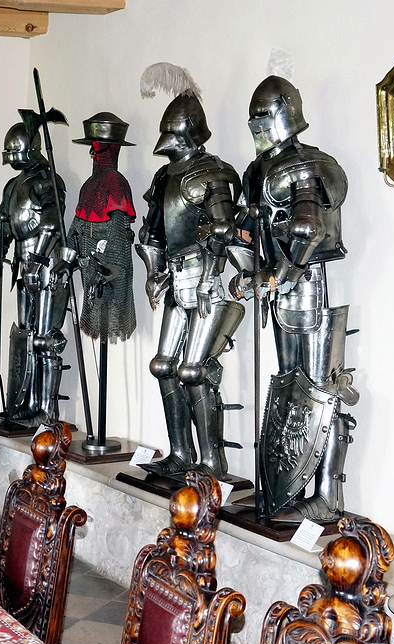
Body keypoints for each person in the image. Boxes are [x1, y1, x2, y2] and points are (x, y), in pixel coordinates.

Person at [229, 76, 358, 522]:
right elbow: (250, 228)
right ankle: (285, 489)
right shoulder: (257, 171)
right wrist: (247, 267)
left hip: (309, 281)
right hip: (279, 287)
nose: (258, 126)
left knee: (321, 387)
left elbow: (308, 227)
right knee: (289, 383)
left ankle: (326, 496)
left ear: (285, 112)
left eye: (263, 116)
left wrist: (279, 273)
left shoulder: (305, 165)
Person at [135, 92, 246, 481]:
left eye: (172, 131)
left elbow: (222, 230)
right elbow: (151, 234)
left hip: (205, 280)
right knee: (163, 365)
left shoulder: (211, 174)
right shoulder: (164, 177)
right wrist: (153, 272)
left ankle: (212, 462)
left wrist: (209, 277)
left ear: (186, 134)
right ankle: (181, 453)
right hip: (175, 278)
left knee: (194, 371)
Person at [0, 119, 73, 425]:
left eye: (16, 152)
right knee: (25, 337)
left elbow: (51, 222)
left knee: (46, 340)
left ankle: (46, 410)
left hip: (46, 265)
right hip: (23, 266)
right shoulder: (13, 186)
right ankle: (26, 403)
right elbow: (3, 224)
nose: (12, 158)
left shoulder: (48, 180)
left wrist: (37, 259)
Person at [68, 112, 137, 344]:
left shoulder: (115, 182)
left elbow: (118, 237)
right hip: (91, 269)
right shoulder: (89, 184)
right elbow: (78, 227)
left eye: (94, 146)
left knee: (111, 319)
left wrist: (107, 270)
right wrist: (67, 256)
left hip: (109, 273)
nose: (91, 152)